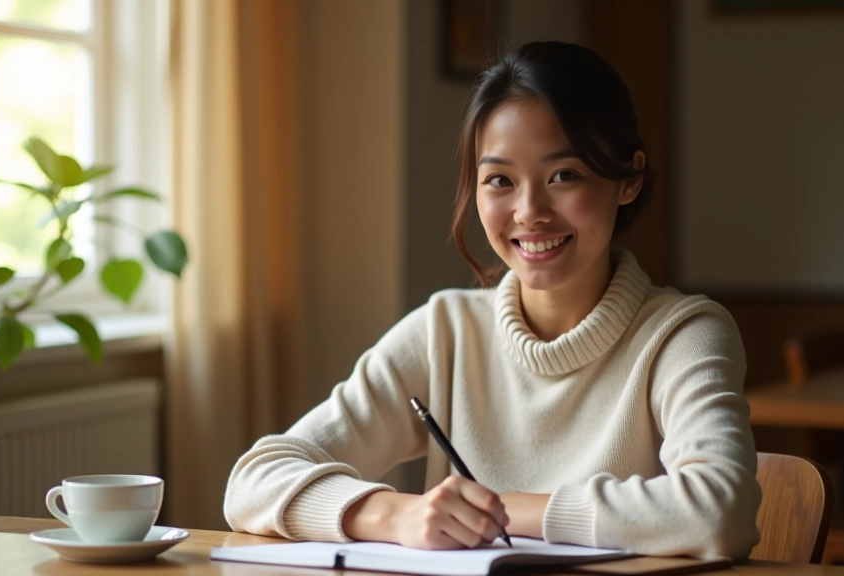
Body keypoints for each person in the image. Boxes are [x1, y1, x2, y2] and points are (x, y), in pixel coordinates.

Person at [224, 41, 761, 560]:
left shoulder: (684, 335)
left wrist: (496, 510)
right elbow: (253, 481)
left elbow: (719, 512)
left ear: (629, 180)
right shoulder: (445, 331)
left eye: (564, 175)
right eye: (500, 180)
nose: (529, 211)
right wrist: (396, 515)